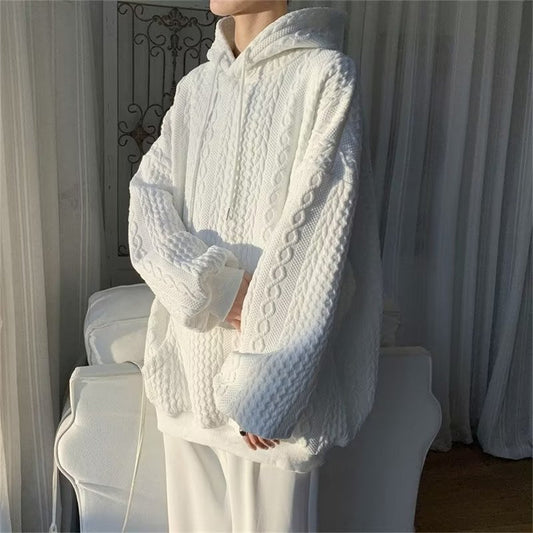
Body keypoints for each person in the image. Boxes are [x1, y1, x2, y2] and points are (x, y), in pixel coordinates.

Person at [127, 0, 383, 530]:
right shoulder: (196, 88)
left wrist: (267, 389)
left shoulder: (325, 75)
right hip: (188, 380)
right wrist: (213, 290)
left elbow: (319, 238)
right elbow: (147, 199)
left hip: (268, 400)